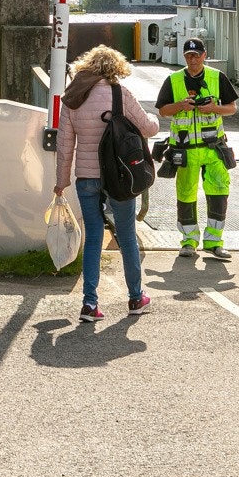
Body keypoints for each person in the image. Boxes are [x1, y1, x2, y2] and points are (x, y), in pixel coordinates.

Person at [54, 45, 157, 323]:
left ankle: (89, 304)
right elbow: (148, 128)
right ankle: (135, 298)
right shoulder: (120, 93)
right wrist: (154, 119)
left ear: (86, 66)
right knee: (126, 236)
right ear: (116, 68)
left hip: (86, 178)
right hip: (119, 178)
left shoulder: (73, 97)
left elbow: (65, 145)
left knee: (93, 238)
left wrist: (61, 181)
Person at [156, 37, 239, 261]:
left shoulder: (217, 77)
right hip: (186, 150)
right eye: (189, 56)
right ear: (184, 57)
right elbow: (163, 111)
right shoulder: (173, 80)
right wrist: (180, 106)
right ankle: (189, 241)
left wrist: (214, 108)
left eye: (196, 55)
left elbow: (232, 108)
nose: (192, 59)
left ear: (204, 55)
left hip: (213, 149)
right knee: (185, 194)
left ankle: (214, 242)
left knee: (219, 192)